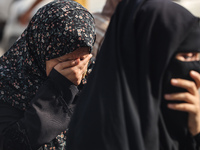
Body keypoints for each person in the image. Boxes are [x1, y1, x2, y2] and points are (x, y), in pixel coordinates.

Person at [66, 0, 200, 150]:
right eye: (186, 57)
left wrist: (196, 132)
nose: (195, 72)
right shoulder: (101, 133)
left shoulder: (179, 123)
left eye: (196, 56)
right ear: (150, 58)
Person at [0, 0, 95, 149]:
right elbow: (12, 143)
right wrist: (59, 89)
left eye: (82, 60)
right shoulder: (8, 82)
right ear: (40, 49)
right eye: (64, 62)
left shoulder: (94, 79)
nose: (76, 71)